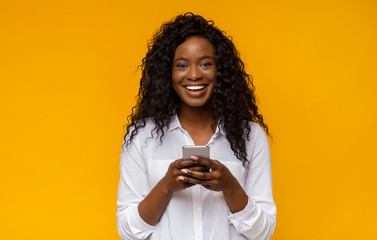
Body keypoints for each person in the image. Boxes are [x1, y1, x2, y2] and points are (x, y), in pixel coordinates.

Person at [116, 12, 276, 240]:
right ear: (167, 74)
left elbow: (263, 233)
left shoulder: (251, 137)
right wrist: (166, 186)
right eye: (181, 65)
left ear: (220, 71)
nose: (193, 75)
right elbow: (128, 232)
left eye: (205, 64)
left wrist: (230, 186)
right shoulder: (142, 137)